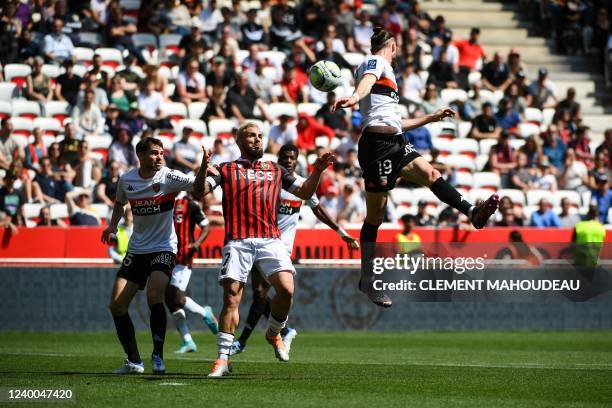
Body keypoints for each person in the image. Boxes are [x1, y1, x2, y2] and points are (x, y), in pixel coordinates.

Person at [331, 27, 499, 307]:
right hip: (377, 146)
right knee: (375, 217)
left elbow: (395, 120)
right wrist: (354, 97)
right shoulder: (377, 62)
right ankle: (367, 280)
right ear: (393, 46)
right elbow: (367, 82)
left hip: (395, 140)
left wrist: (431, 117)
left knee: (432, 174)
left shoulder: (386, 75)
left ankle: (472, 211)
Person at [196, 122, 334, 377]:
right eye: (251, 136)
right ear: (239, 141)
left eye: (260, 136)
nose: (258, 140)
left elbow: (304, 191)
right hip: (238, 240)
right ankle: (222, 360)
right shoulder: (226, 169)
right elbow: (199, 191)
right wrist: (204, 167)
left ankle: (273, 333)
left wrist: (317, 170)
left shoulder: (275, 169)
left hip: (270, 240)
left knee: (287, 289)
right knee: (231, 299)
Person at [229, 143, 358, 356]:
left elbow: (318, 210)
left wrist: (341, 232)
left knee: (261, 293)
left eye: (292, 157)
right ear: (278, 158)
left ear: (297, 161)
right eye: (285, 157)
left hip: (279, 247)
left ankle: (242, 342)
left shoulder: (300, 185)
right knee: (259, 296)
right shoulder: (267, 181)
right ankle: (285, 330)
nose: (288, 160)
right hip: (257, 241)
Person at [101, 137, 209, 375]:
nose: (159, 157)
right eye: (153, 153)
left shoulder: (169, 177)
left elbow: (199, 189)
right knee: (117, 306)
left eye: (161, 153)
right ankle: (134, 362)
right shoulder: (127, 180)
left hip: (164, 248)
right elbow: (119, 203)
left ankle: (157, 356)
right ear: (140, 155)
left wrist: (202, 169)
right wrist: (112, 226)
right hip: (137, 250)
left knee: (154, 295)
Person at [166, 192, 219, 354]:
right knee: (170, 301)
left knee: (176, 297)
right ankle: (188, 341)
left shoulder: (191, 204)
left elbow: (206, 226)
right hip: (166, 255)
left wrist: (197, 243)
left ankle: (205, 313)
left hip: (183, 256)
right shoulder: (166, 202)